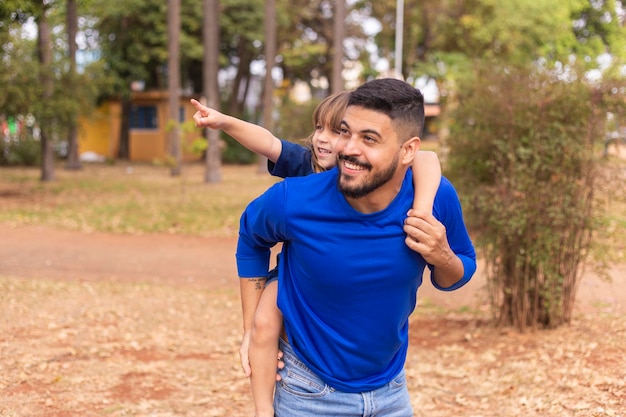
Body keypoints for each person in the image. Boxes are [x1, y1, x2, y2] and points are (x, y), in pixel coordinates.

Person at [236, 78, 476, 416]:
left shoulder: (435, 197)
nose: (348, 148)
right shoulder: (293, 200)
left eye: (369, 139)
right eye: (345, 132)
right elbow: (250, 239)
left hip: (391, 392)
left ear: (408, 150)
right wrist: (250, 327)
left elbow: (459, 272)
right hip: (308, 394)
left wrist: (443, 256)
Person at [192, 92, 442, 417]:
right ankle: (263, 407)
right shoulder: (304, 163)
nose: (324, 139)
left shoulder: (368, 171)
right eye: (319, 128)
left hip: (348, 295)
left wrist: (422, 211)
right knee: (265, 323)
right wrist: (223, 121)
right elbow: (266, 141)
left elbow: (427, 158)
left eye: (336, 130)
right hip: (297, 274)